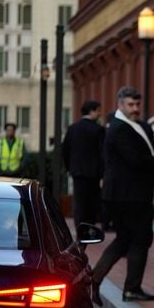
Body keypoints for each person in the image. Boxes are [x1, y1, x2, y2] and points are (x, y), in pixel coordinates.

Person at [91, 87, 154, 304]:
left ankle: (95, 281)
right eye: (130, 105)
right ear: (120, 105)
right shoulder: (120, 128)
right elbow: (135, 160)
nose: (135, 109)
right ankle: (130, 288)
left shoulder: (128, 126)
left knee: (125, 240)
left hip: (126, 194)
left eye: (137, 104)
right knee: (141, 239)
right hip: (129, 196)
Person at [62, 100, 105, 234]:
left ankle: (80, 229)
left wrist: (70, 168)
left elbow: (65, 150)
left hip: (77, 172)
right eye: (98, 110)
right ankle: (89, 228)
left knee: (79, 203)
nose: (99, 113)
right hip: (94, 173)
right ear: (91, 111)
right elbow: (103, 153)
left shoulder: (72, 128)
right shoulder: (98, 130)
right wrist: (102, 173)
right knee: (92, 203)